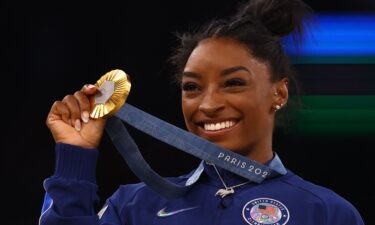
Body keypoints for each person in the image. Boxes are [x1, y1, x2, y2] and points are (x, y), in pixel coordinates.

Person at [39, 0, 365, 224]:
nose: (208, 105)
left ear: (278, 93)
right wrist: (75, 156)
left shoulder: (326, 212)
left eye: (234, 83)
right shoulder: (134, 206)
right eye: (192, 87)